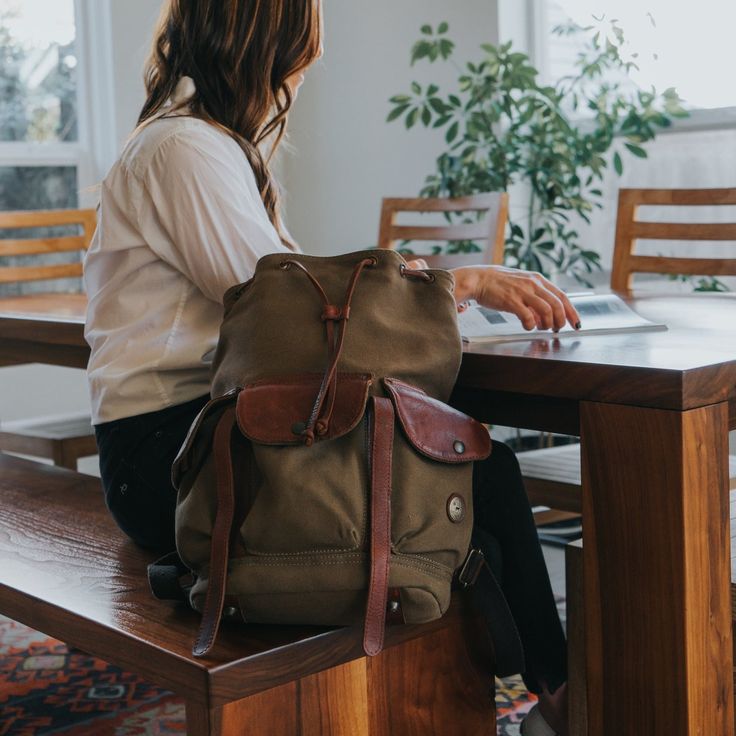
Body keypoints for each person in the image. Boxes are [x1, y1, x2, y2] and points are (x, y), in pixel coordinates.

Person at [84, 1, 578, 733]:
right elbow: (293, 314)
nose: (299, 79)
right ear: (260, 48)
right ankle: (559, 699)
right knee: (477, 472)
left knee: (467, 483)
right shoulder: (183, 151)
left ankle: (510, 696)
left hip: (203, 436)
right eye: (297, 60)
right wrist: (455, 284)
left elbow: (302, 299)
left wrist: (421, 289)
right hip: (170, 459)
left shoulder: (204, 146)